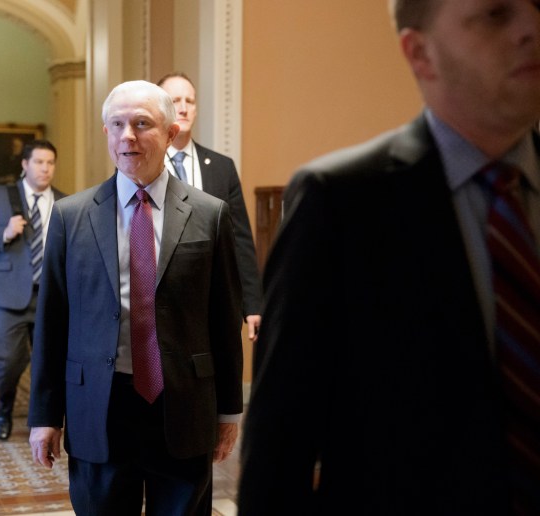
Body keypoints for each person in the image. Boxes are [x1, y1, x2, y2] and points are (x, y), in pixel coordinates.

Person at [238, 1, 540, 515]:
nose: (531, 28)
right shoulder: (341, 203)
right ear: (420, 53)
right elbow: (278, 451)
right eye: (494, 14)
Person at [28, 80, 244, 515]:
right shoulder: (71, 217)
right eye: (117, 124)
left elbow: (223, 319)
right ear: (106, 133)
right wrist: (44, 415)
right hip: (99, 404)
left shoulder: (209, 214)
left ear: (169, 133)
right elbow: (52, 321)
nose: (128, 135)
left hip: (182, 404)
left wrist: (229, 412)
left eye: (142, 124)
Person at [157, 72, 262, 341]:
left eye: (189, 101)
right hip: (159, 298)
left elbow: (239, 237)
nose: (183, 107)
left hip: (211, 299)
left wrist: (252, 304)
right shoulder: (143, 164)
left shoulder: (221, 167)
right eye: (175, 100)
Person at [0, 139, 66, 440]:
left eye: (50, 163)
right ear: (25, 164)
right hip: (9, 294)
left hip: (51, 297)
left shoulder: (65, 203)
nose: (45, 168)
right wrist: (4, 232)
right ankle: (4, 408)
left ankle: (44, 418)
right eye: (39, 162)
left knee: (50, 360)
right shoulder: (2, 195)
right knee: (9, 362)